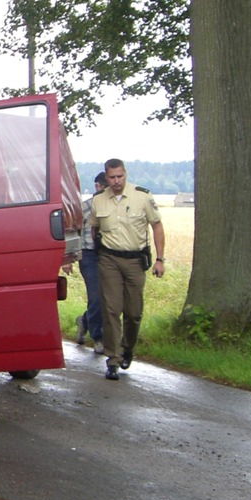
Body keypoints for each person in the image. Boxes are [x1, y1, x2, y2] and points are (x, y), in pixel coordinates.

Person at [91, 158, 166, 380]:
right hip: (109, 259)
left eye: (120, 176)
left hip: (135, 260)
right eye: (112, 177)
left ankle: (127, 348)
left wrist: (160, 259)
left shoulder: (142, 196)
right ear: (106, 177)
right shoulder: (98, 200)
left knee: (133, 313)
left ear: (125, 174)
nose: (116, 181)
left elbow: (157, 226)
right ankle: (112, 359)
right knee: (111, 309)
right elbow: (93, 229)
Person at [75, 173, 107, 355]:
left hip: (109, 255)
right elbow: (73, 230)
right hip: (88, 255)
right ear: (97, 187)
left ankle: (85, 321)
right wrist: (68, 258)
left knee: (109, 298)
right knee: (96, 296)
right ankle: (99, 337)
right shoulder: (85, 207)